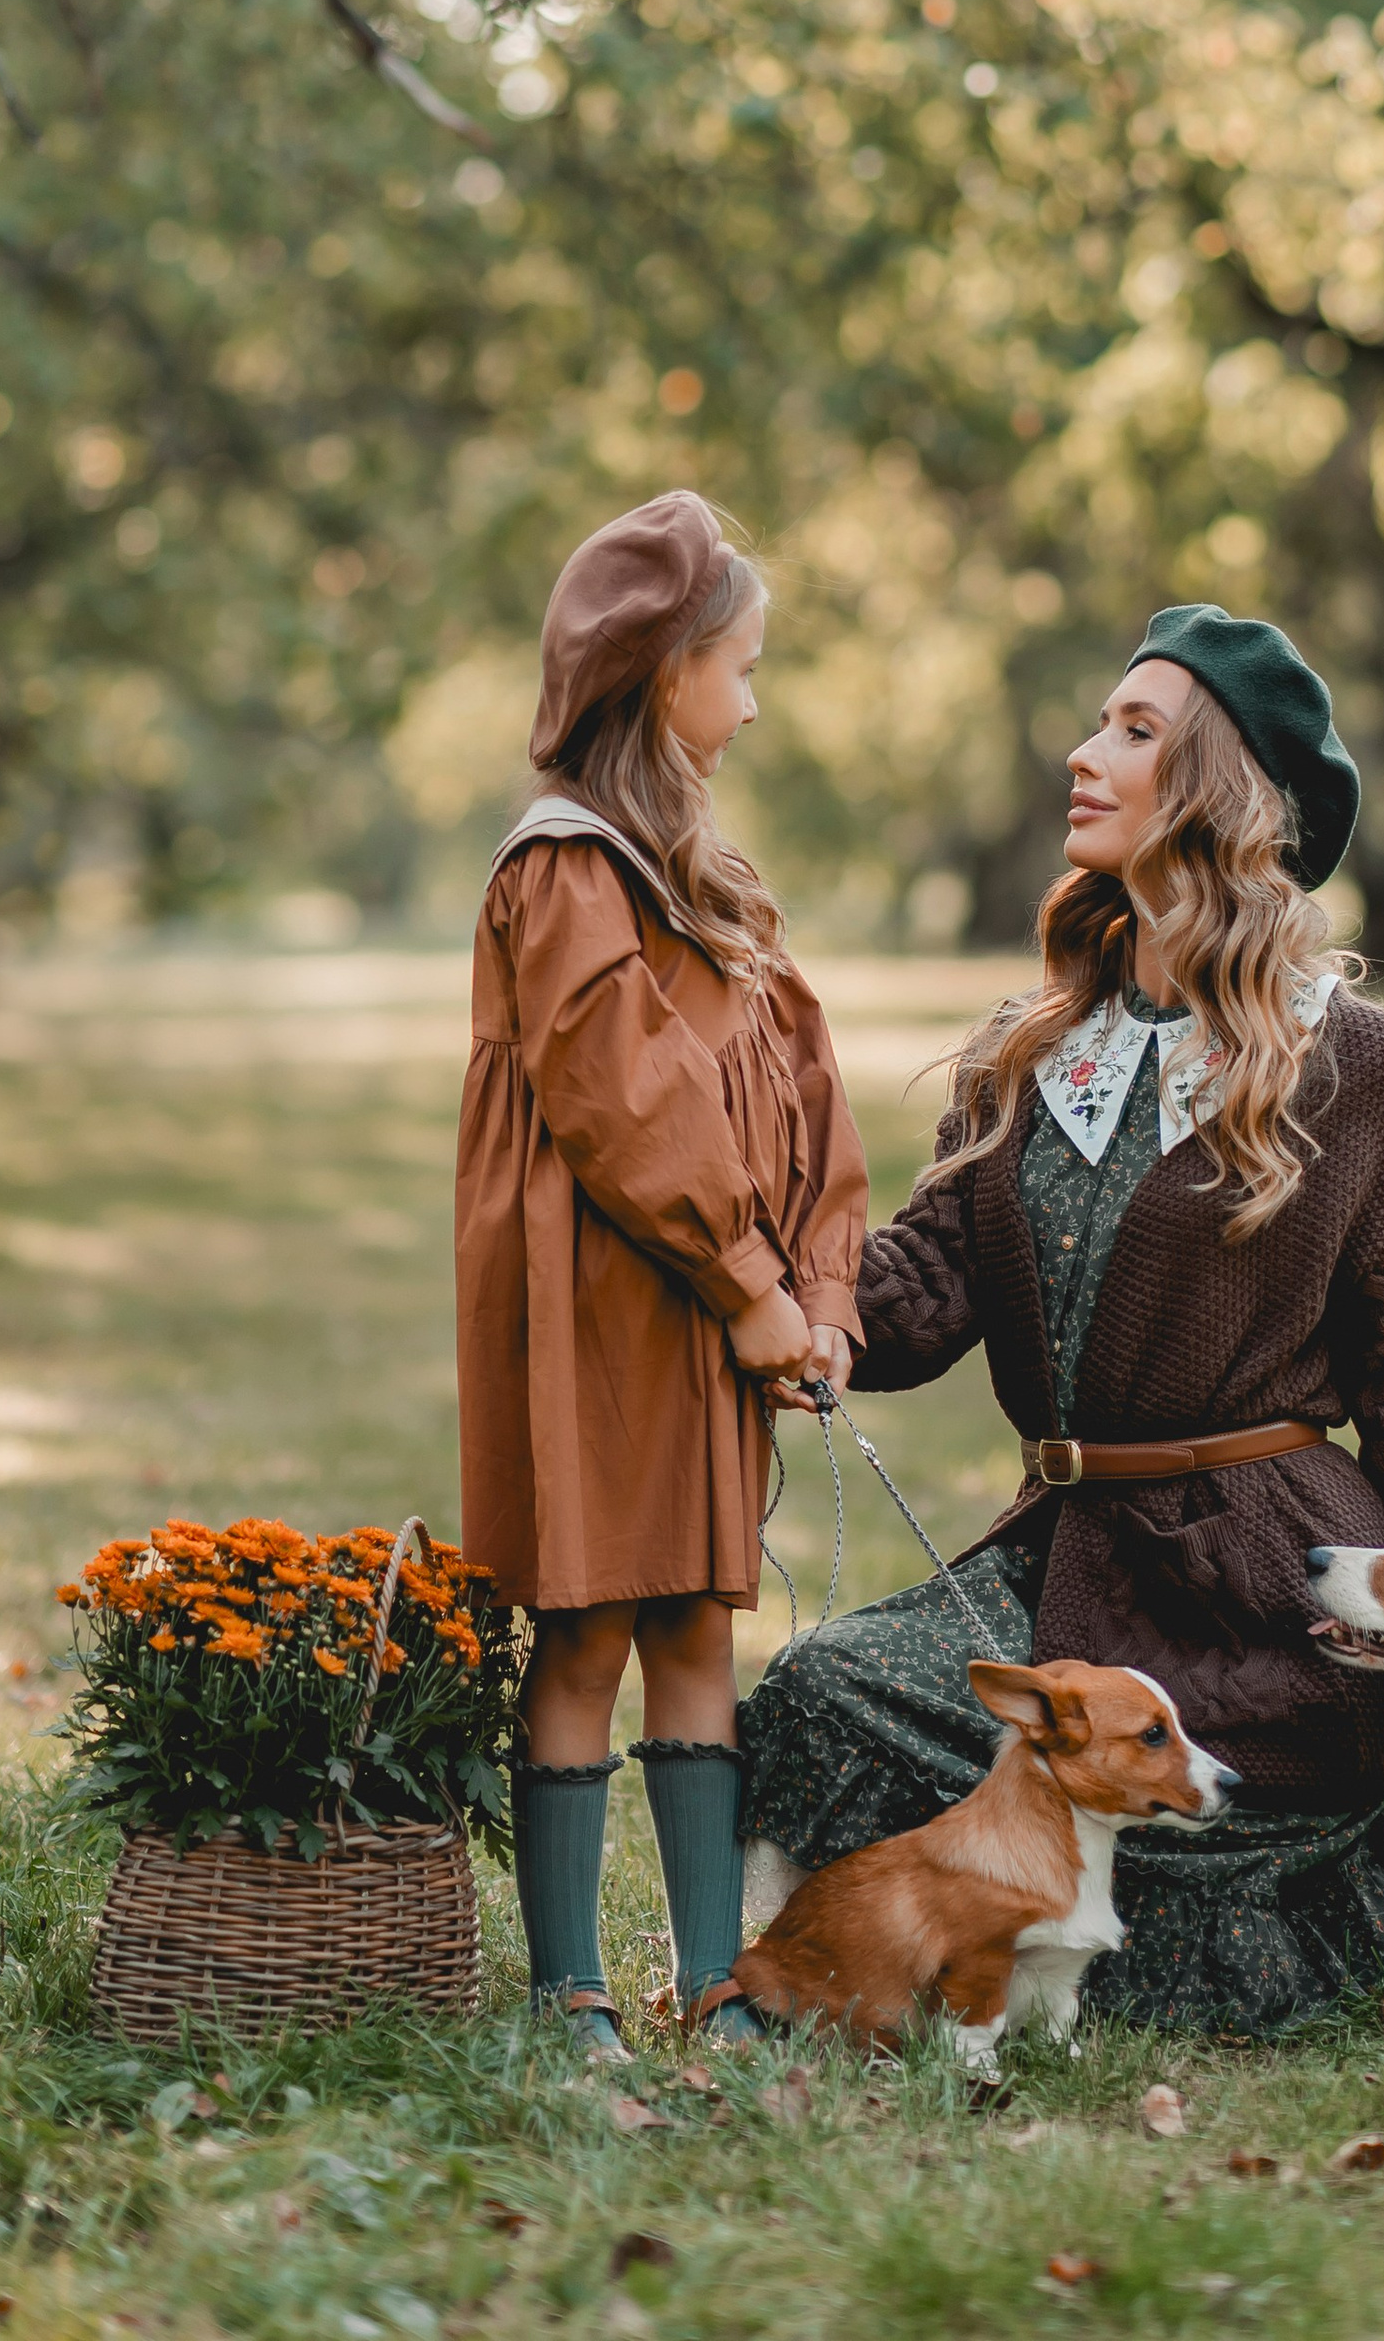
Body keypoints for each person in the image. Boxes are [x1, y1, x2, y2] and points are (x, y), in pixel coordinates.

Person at [739, 602, 1384, 2036]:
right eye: (1102, 721)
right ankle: (918, 1954)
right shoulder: (1029, 1049)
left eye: (1135, 730)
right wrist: (793, 1297)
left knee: (1181, 1787)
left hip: (1268, 1588)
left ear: (1222, 790)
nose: (1084, 753)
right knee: (818, 1693)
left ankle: (1242, 1923)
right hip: (1070, 1569)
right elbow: (919, 1293)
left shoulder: (1355, 1063)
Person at [457, 492, 866, 2052]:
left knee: (699, 1618)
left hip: (726, 1307)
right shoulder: (563, 870)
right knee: (587, 1626)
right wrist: (752, 1285)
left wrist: (817, 1291)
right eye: (741, 668)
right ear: (661, 670)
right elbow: (629, 1105)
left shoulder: (718, 881)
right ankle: (569, 1989)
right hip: (604, 1306)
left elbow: (807, 1092)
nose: (754, 704)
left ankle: (717, 1981)